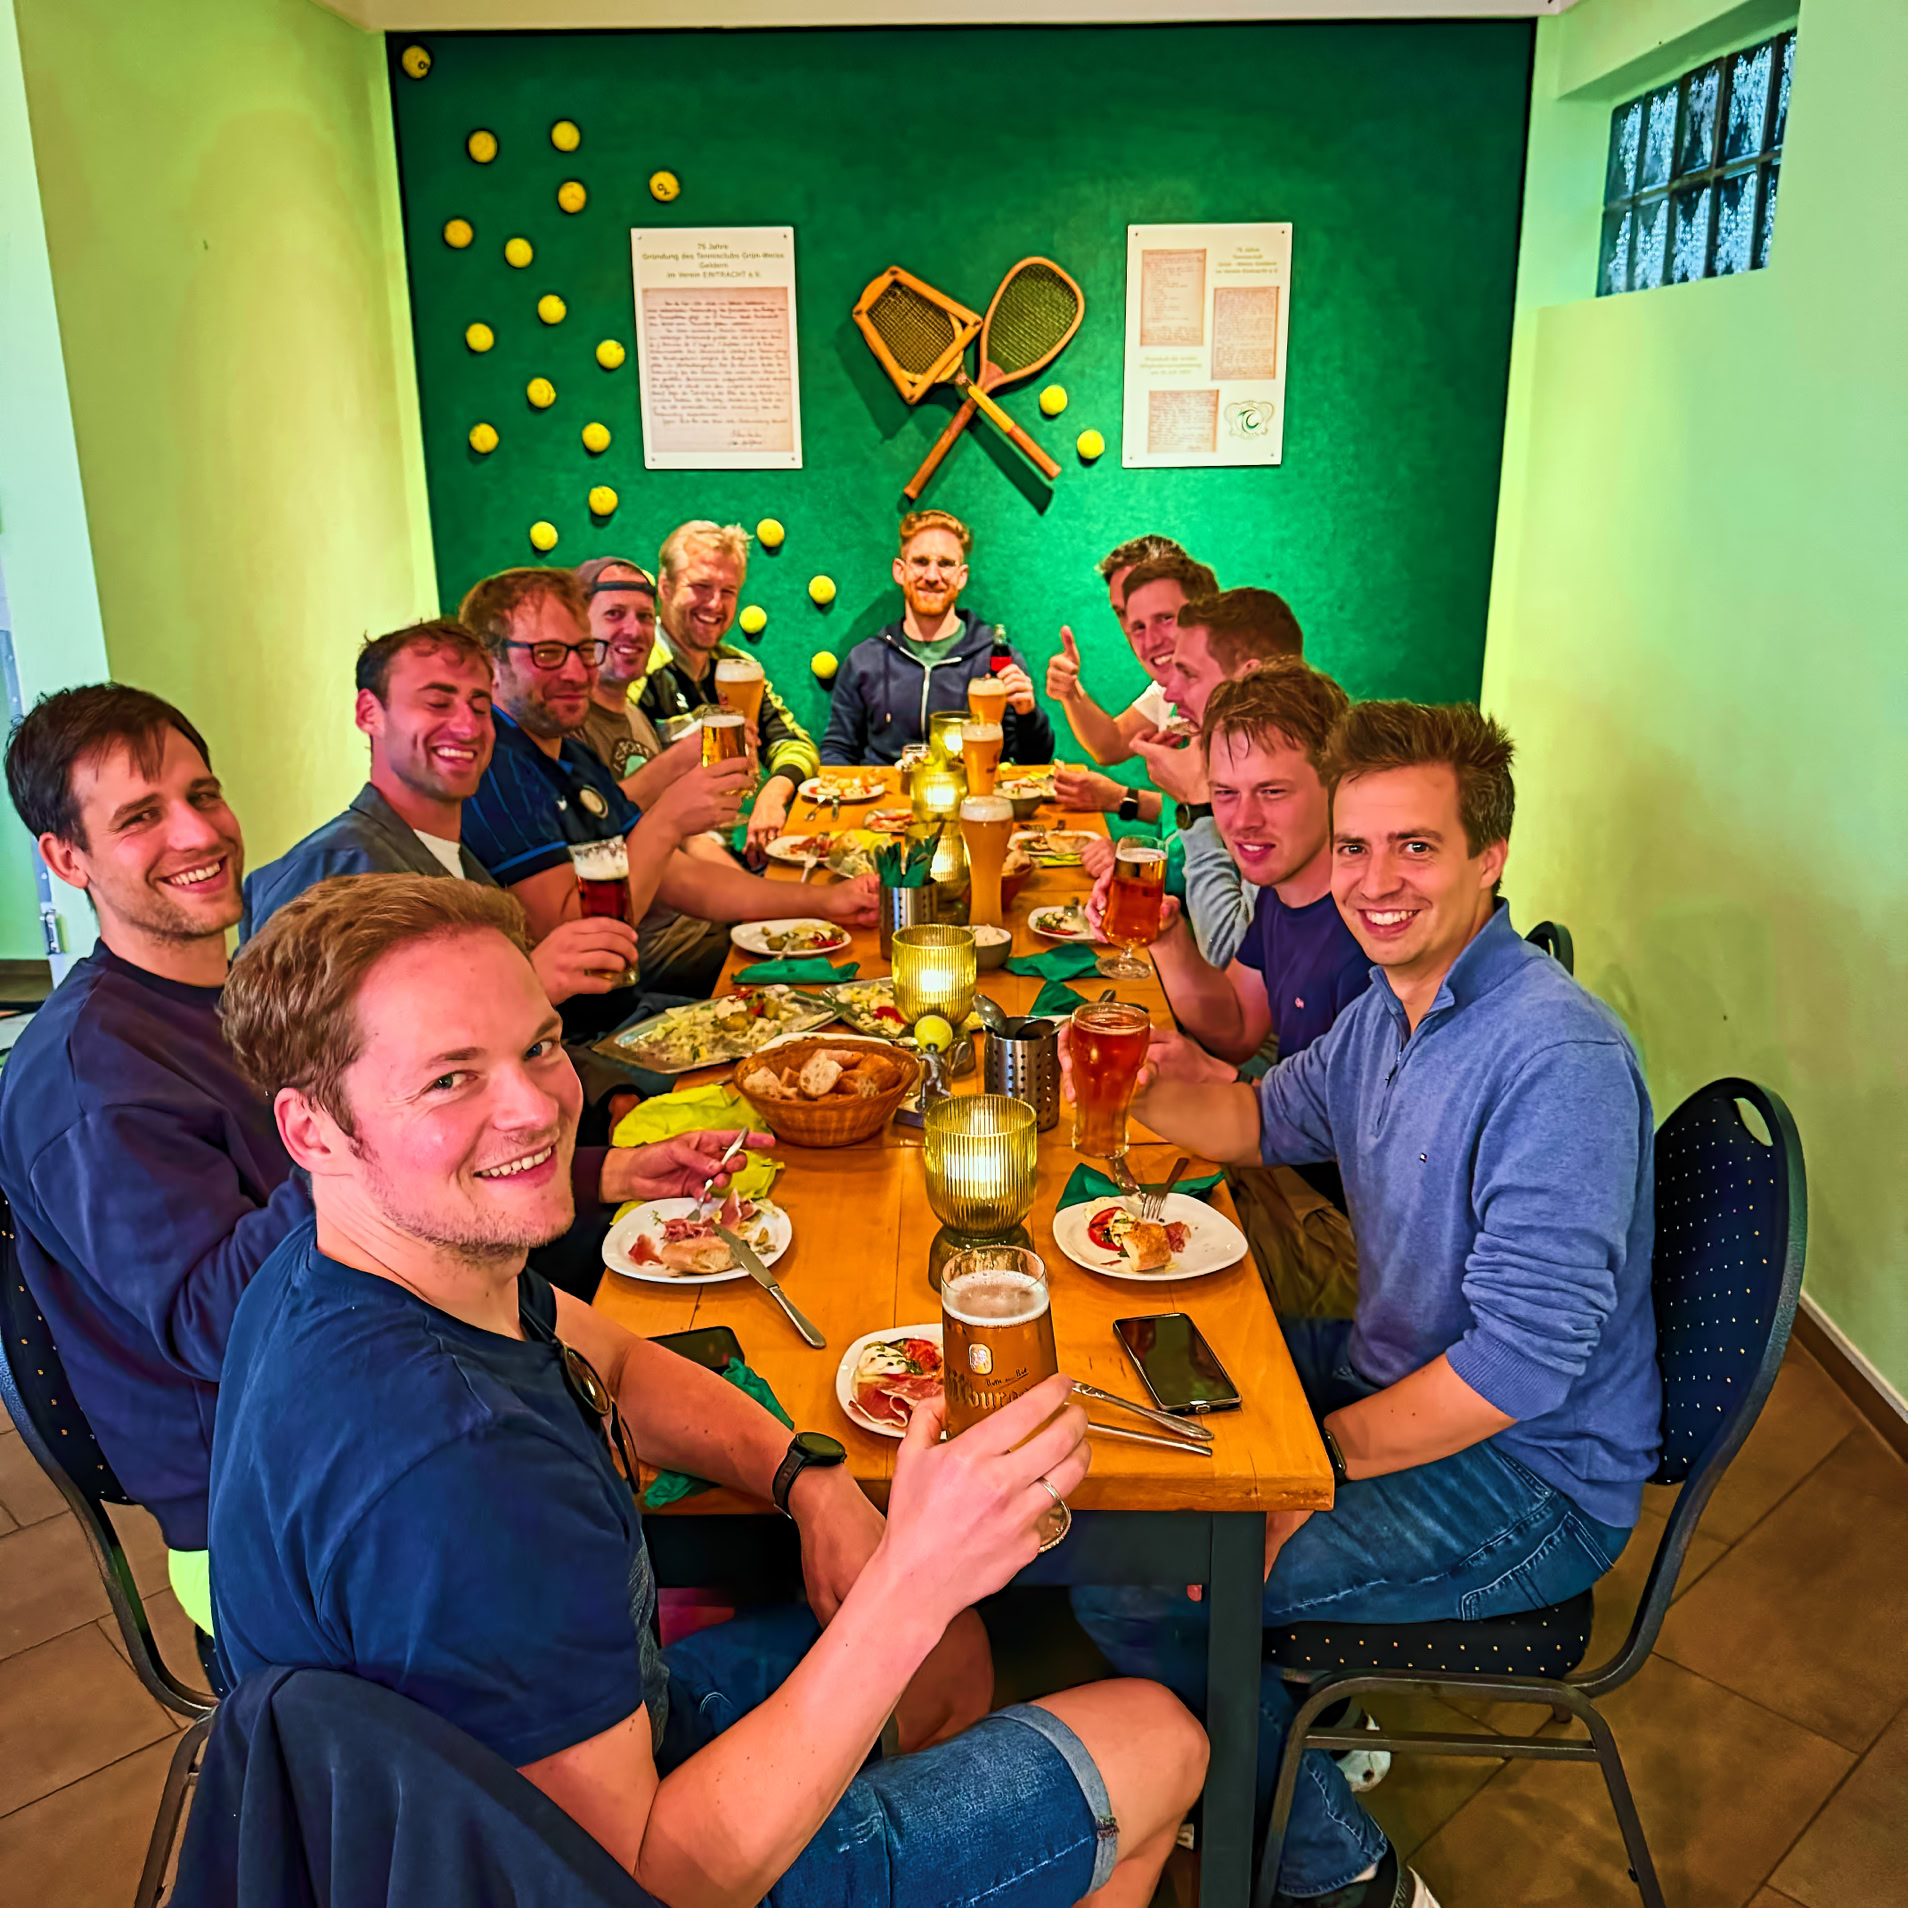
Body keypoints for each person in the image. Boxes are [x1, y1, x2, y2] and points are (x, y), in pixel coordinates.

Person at [211, 873, 1208, 1908]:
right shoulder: (462, 1472)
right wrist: (916, 1574)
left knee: (948, 1656)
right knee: (1160, 1738)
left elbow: (627, 1365)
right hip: (607, 1871)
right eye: (451, 1080)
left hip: (575, 1764)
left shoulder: (345, 1265)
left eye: (539, 1048)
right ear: (312, 1129)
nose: (535, 1109)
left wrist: (808, 1481)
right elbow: (648, 1880)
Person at [1065, 702, 1658, 1908]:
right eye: (1356, 847)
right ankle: (1254, 1736)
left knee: (1136, 1575)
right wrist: (1124, 1078)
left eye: (1417, 848)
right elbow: (1258, 1120)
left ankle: (1346, 1872)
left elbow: (1520, 1372)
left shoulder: (1556, 1056)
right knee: (1130, 1389)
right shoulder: (1391, 1008)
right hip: (1394, 1376)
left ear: (1490, 861)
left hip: (1529, 1475)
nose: (1375, 882)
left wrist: (1302, 1473)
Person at [0, 686, 311, 1634]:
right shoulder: (94, 1075)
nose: (197, 832)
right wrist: (362, 1125)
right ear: (66, 858)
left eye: (203, 794)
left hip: (356, 1386)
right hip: (264, 1506)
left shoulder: (243, 991)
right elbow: (214, 1322)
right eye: (141, 816)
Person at [458, 568, 875, 1022]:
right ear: (487, 665)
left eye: (583, 650)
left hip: (631, 1009)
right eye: (549, 654)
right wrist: (670, 817)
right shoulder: (495, 767)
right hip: (575, 1043)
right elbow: (583, 942)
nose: (577, 672)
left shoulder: (572, 758)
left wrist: (831, 901)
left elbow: (686, 882)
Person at [1084, 664, 1368, 1318]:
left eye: (1272, 791)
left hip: (1346, 1235)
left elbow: (1364, 1147)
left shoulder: (1373, 929)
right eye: (1225, 793)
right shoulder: (1284, 888)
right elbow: (1239, 1021)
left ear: (1337, 784)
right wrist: (1166, 937)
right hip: (1278, 1169)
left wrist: (1220, 1081)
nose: (1243, 820)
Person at [240, 619, 640, 1010]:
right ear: (369, 713)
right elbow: (305, 1055)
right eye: (437, 703)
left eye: (480, 706)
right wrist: (527, 983)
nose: (467, 728)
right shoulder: (330, 872)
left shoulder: (466, 861)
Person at [637, 522, 818, 857]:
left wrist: (772, 796)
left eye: (728, 591)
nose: (715, 604)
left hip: (731, 851)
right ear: (664, 587)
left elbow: (794, 743)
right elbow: (628, 807)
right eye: (701, 586)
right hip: (670, 866)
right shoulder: (638, 672)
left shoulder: (737, 667)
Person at [819, 509, 1053, 767]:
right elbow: (837, 751)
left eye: (945, 564)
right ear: (900, 571)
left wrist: (1027, 715)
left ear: (961, 576)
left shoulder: (997, 659)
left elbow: (1034, 760)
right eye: (920, 562)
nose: (932, 576)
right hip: (885, 800)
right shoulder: (865, 659)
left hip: (971, 799)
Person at [1045, 536, 1200, 819]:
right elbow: (1111, 744)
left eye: (1161, 614)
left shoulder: (1241, 696)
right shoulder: (1171, 687)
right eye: (1125, 614)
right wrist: (1071, 692)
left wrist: (1122, 798)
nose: (1143, 637)